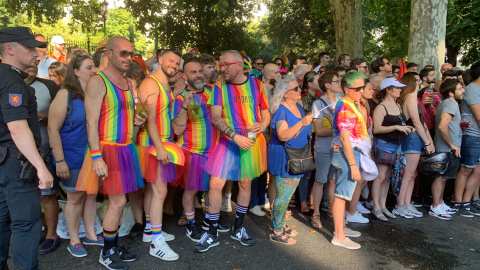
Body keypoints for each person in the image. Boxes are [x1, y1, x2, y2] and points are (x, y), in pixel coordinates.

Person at [75, 36, 146, 270]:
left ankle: (113, 246)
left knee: (119, 201)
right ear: (109, 53)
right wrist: (96, 156)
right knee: (117, 201)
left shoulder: (127, 81)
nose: (129, 58)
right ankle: (107, 251)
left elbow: (119, 115)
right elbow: (91, 122)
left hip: (126, 149)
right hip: (108, 149)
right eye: (123, 53)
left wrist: (137, 120)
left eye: (131, 53)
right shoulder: (98, 81)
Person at [194, 50, 270, 252]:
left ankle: (238, 228)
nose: (222, 68)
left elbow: (265, 113)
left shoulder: (257, 85)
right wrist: (235, 136)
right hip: (228, 141)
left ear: (239, 65)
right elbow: (216, 118)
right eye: (220, 64)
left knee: (245, 184)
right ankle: (211, 232)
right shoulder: (219, 88)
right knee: (215, 185)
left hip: (252, 142)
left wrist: (262, 125)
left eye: (226, 64)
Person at [0, 26, 54, 270]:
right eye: (29, 47)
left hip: (4, 163)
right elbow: (18, 128)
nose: (36, 53)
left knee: (2, 219)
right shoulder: (12, 81)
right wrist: (41, 168)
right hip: (15, 164)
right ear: (9, 49)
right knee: (26, 224)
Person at [48, 54, 102, 257]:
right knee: (76, 198)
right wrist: (60, 161)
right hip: (71, 155)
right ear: (76, 71)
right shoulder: (65, 94)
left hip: (93, 155)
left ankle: (91, 235)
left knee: (91, 196)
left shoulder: (95, 93)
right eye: (89, 68)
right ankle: (74, 239)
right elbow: (53, 129)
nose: (94, 71)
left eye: (95, 67)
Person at [137, 49, 182, 261]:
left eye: (177, 63)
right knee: (160, 192)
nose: (174, 65)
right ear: (160, 60)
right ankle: (156, 242)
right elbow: (149, 120)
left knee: (152, 191)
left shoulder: (164, 84)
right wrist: (160, 148)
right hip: (152, 144)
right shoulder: (150, 83)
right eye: (171, 61)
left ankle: (149, 231)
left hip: (161, 142)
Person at [170, 59, 220, 241]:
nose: (198, 74)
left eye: (200, 71)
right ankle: (191, 224)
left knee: (212, 189)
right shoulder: (180, 99)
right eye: (193, 72)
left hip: (215, 151)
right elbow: (176, 130)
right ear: (184, 76)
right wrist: (185, 105)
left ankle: (209, 220)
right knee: (191, 190)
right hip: (193, 152)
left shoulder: (213, 92)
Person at [267, 74, 313, 245]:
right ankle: (277, 231)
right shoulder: (281, 111)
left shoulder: (298, 107)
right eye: (295, 88)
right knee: (284, 196)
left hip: (296, 155)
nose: (300, 90)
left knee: (287, 194)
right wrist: (302, 123)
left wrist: (306, 121)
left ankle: (280, 224)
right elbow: (283, 135)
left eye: (299, 87)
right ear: (285, 94)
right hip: (284, 156)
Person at [330, 71, 370, 249]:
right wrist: (353, 165)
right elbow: (345, 138)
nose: (361, 90)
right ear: (346, 89)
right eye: (358, 88)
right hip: (348, 154)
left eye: (363, 86)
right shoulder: (346, 106)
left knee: (343, 194)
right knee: (341, 195)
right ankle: (339, 236)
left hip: (351, 152)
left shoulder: (349, 103)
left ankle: (342, 230)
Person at [24, 64, 61, 255]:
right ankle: (34, 231)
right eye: (28, 63)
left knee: (47, 195)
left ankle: (52, 235)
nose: (33, 66)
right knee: (25, 196)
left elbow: (60, 118)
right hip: (18, 153)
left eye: (35, 64)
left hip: (44, 150)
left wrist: (40, 117)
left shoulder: (49, 86)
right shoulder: (9, 85)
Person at [371, 77, 412, 221]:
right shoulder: (381, 107)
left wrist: (405, 128)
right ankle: (376, 206)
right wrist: (396, 127)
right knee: (380, 177)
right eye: (397, 88)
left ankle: (383, 206)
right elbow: (376, 129)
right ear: (388, 90)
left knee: (387, 177)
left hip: (396, 145)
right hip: (384, 144)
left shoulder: (398, 106)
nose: (400, 90)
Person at [396, 73, 435, 219]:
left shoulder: (413, 98)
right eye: (417, 80)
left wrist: (429, 141)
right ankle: (400, 205)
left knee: (413, 174)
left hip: (416, 137)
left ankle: (406, 203)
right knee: (408, 174)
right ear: (411, 83)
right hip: (412, 137)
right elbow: (416, 122)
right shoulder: (410, 98)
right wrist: (427, 142)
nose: (420, 82)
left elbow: (422, 123)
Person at [430, 79, 464, 220]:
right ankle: (435, 206)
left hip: (448, 148)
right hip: (447, 149)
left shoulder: (449, 103)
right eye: (460, 88)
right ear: (451, 93)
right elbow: (443, 126)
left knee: (444, 178)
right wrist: (452, 145)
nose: (463, 91)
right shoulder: (451, 103)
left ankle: (440, 203)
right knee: (441, 178)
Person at [311, 71, 341, 227]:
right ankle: (315, 214)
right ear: (328, 85)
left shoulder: (342, 101)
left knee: (333, 181)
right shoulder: (318, 104)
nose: (339, 83)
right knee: (320, 180)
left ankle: (331, 211)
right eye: (337, 81)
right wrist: (341, 130)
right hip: (323, 148)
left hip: (338, 148)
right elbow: (320, 131)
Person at [454, 60, 480, 217]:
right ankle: (458, 202)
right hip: (472, 136)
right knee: (466, 169)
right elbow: (479, 117)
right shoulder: (472, 90)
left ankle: (467, 202)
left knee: (477, 170)